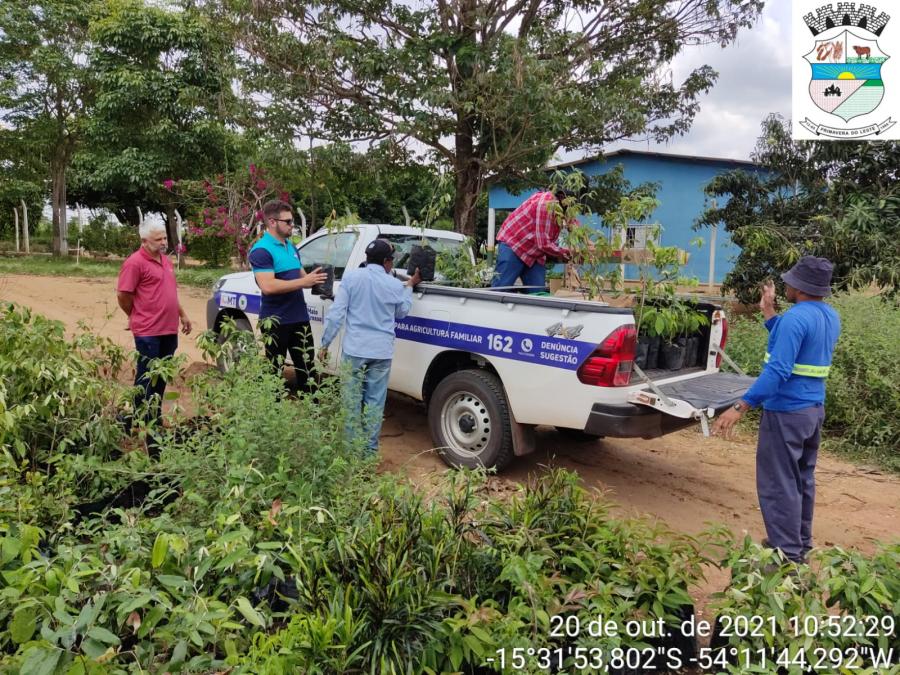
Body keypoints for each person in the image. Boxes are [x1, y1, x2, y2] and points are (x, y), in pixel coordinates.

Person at [712, 257, 841, 565]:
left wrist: (740, 406)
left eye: (789, 281)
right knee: (801, 479)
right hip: (812, 411)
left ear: (799, 287)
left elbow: (777, 370)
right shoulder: (829, 316)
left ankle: (788, 556)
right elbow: (797, 343)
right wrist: (768, 313)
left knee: (778, 483)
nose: (785, 285)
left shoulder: (796, 318)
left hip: (786, 413)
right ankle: (799, 543)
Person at [318, 239, 421, 453]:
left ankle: (350, 453)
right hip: (381, 352)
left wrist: (325, 344)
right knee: (374, 403)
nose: (392, 264)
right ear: (385, 261)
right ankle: (368, 454)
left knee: (351, 401)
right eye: (392, 260)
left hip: (355, 349)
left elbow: (337, 314)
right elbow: (401, 313)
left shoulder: (352, 278)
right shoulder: (394, 284)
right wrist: (409, 287)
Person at [117, 222, 192, 446]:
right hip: (148, 331)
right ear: (144, 241)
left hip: (168, 329)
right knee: (147, 377)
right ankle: (137, 421)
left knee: (160, 376)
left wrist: (183, 315)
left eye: (163, 239)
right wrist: (136, 315)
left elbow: (170, 293)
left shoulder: (165, 261)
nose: (163, 243)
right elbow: (123, 295)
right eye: (158, 240)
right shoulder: (134, 263)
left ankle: (149, 417)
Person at [248, 200, 327, 394]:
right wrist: (304, 282)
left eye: (293, 222)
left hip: (299, 318)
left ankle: (311, 414)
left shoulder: (291, 247)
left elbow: (301, 276)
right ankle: (272, 414)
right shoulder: (261, 250)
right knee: (274, 371)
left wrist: (318, 280)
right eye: (289, 222)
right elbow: (268, 286)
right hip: (275, 321)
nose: (293, 226)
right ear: (272, 222)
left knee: (307, 370)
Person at [491, 189, 572, 292]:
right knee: (501, 289)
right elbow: (543, 244)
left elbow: (573, 223)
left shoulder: (565, 207)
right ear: (562, 199)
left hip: (535, 253)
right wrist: (567, 252)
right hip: (515, 245)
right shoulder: (545, 206)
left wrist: (587, 243)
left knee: (537, 293)